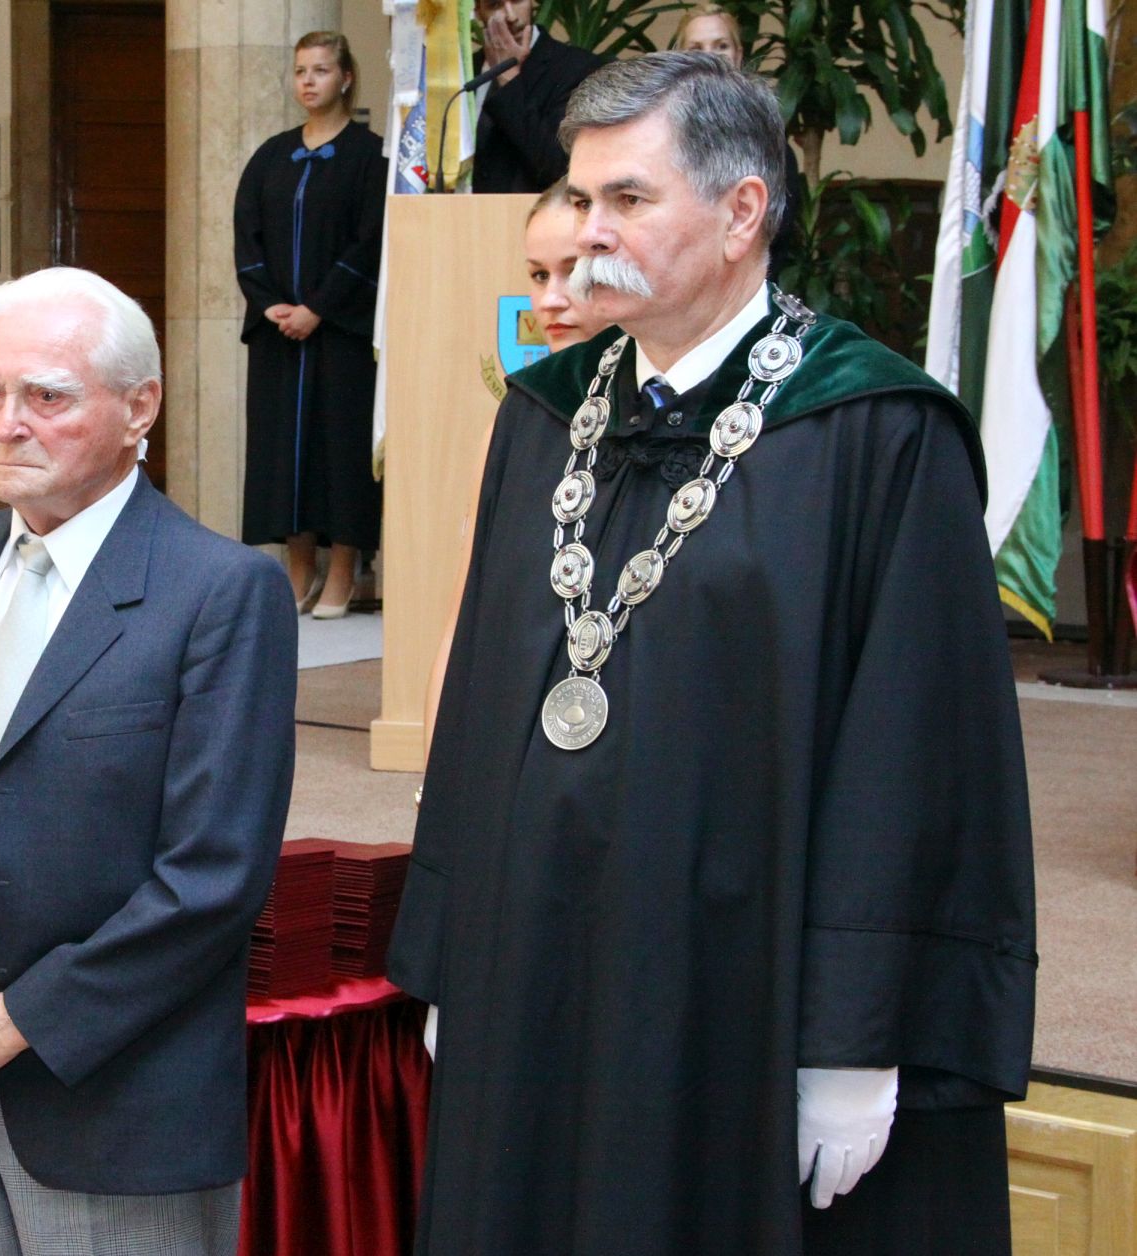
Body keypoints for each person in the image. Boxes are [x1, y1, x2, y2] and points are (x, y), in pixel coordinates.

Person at [389, 54, 1035, 1255]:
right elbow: (481, 702)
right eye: (581, 198)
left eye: (628, 199)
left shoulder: (876, 431)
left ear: (743, 212)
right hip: (538, 970)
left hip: (746, 991)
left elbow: (913, 756)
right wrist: (453, 954)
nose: (590, 231)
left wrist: (856, 1037)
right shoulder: (543, 414)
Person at [0, 267, 297, 1255]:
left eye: (47, 396)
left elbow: (212, 877)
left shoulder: (220, 591)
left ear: (139, 408)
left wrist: (20, 1018)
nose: (8, 424)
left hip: (118, 1103)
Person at [424, 181, 610, 737]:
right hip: (518, 708)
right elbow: (465, 615)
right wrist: (435, 769)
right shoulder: (519, 419)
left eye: (572, 270)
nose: (551, 299)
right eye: (538, 275)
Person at [235, 31, 387, 617]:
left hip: (340, 332)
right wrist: (270, 303)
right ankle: (297, 570)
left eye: (321, 70)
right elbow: (247, 236)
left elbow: (369, 242)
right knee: (282, 451)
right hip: (278, 334)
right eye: (301, 70)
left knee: (340, 449)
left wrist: (318, 307)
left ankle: (343, 569)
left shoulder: (369, 157)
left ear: (345, 78)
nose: (308, 81)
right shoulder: (271, 156)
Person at [668, 3, 809, 274]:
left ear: (738, 54)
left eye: (721, 46)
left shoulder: (767, 137)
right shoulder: (662, 132)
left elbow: (777, 229)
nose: (710, 56)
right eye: (696, 48)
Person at [469, 0, 605, 194]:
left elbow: (559, 167)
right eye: (495, 5)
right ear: (478, 11)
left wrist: (508, 80)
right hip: (461, 209)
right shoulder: (466, 71)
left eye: (517, 1)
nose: (511, 16)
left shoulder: (576, 67)